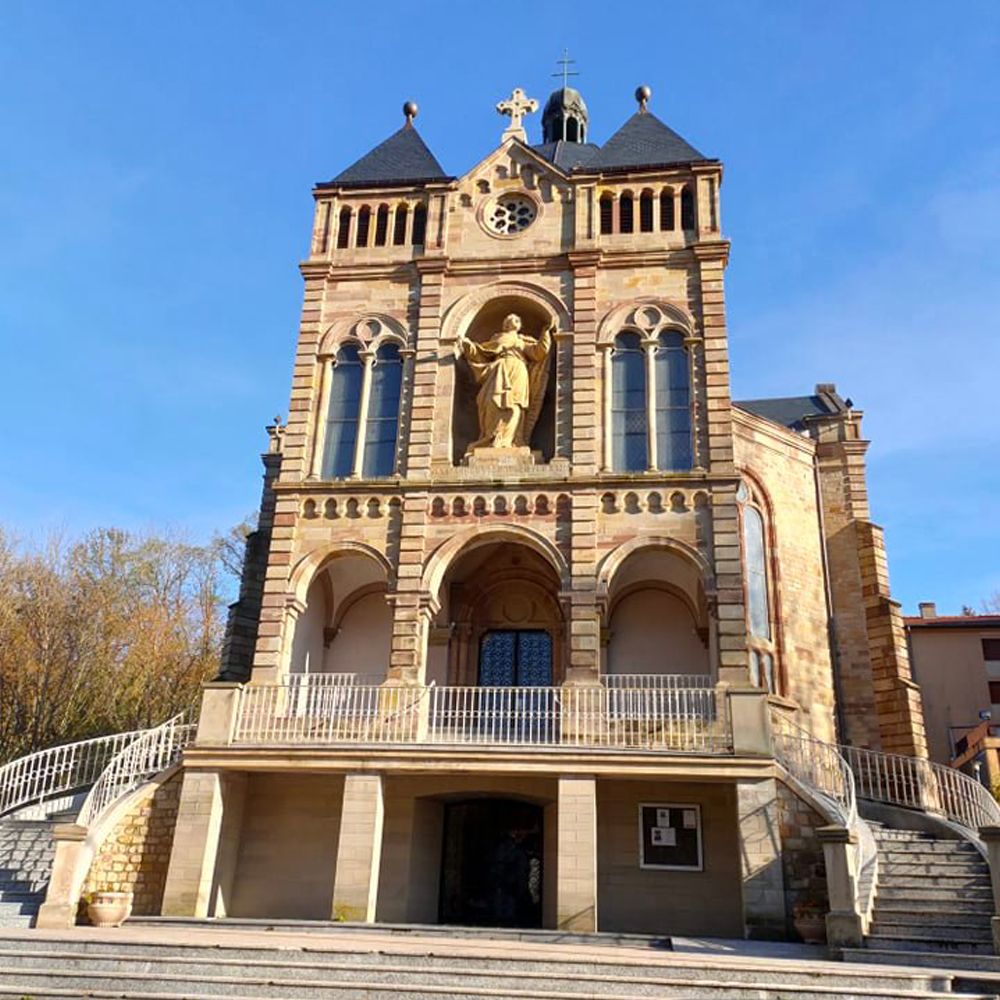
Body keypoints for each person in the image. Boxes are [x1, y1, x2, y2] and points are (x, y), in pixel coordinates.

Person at [457, 313, 553, 451]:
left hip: (518, 371)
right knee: (491, 402)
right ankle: (491, 438)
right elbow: (480, 353)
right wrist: (468, 346)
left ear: (519, 325)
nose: (513, 321)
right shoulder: (497, 338)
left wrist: (545, 333)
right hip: (498, 371)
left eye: (516, 320)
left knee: (515, 405)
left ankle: (511, 441)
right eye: (509, 320)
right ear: (505, 325)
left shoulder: (523, 340)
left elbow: (539, 352)